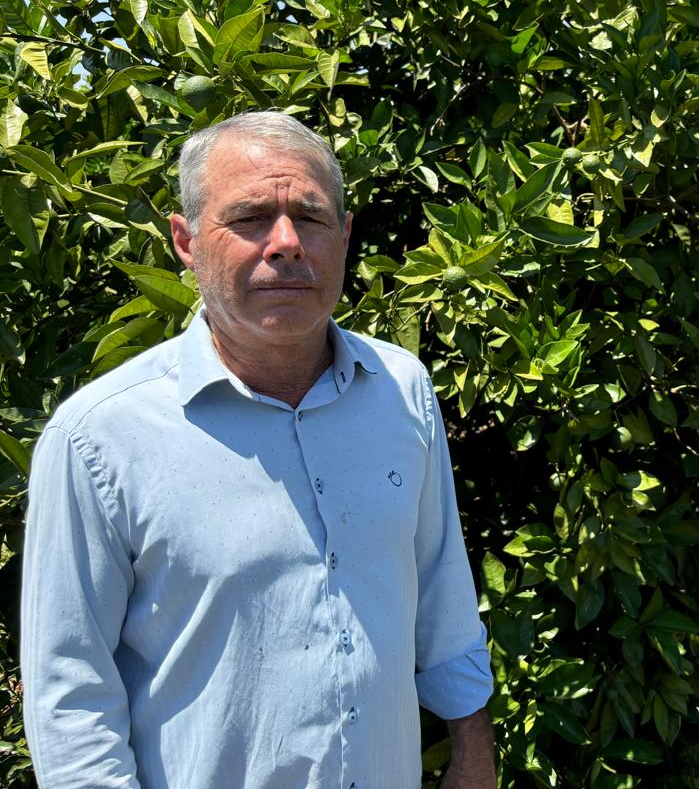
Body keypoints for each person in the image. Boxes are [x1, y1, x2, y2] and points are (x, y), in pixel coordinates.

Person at [21, 111, 496, 789]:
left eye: (310, 217)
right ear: (185, 242)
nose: (286, 243)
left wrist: (473, 749)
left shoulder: (402, 389)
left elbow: (441, 587)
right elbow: (71, 699)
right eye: (248, 218)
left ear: (346, 236)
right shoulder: (100, 438)